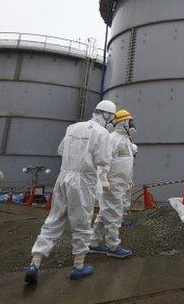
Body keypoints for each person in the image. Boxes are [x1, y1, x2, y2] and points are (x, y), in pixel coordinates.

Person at [24, 100, 115, 283]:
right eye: (111, 117)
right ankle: (79, 266)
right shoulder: (102, 133)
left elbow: (61, 150)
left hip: (64, 177)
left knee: (54, 219)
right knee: (82, 223)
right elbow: (103, 161)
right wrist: (103, 179)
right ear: (106, 115)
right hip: (83, 181)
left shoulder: (73, 127)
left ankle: (35, 262)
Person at [90, 109, 136, 258]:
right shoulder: (112, 139)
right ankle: (113, 246)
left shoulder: (126, 140)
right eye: (130, 121)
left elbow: (125, 163)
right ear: (123, 123)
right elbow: (104, 161)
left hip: (120, 184)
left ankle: (93, 242)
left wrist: (128, 180)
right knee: (115, 214)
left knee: (105, 213)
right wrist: (103, 179)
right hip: (111, 184)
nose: (132, 124)